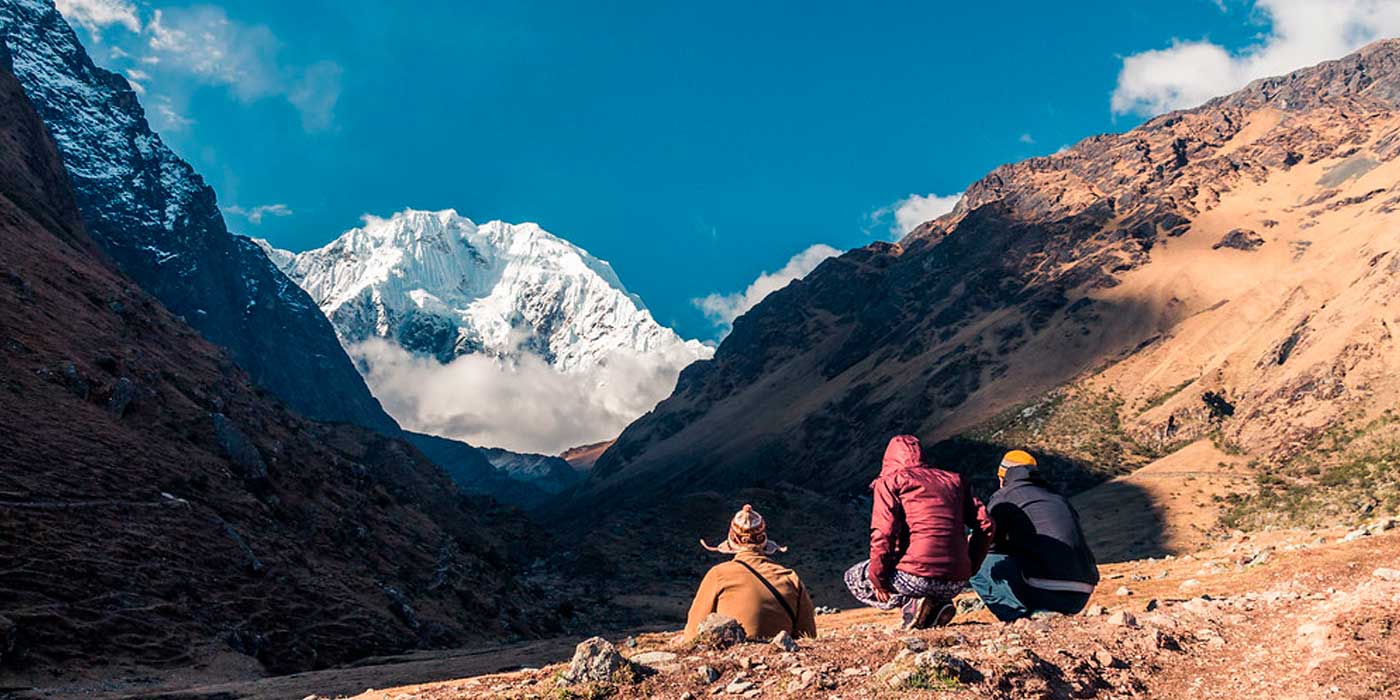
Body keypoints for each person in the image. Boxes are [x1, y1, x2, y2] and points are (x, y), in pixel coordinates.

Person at [844, 435, 995, 629]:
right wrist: (970, 567)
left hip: (915, 578)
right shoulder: (955, 480)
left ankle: (910, 603)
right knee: (914, 572)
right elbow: (986, 524)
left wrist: (879, 579)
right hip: (957, 580)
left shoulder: (890, 481)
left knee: (854, 576)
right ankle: (937, 604)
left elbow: (884, 532)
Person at [971, 450, 1099, 621]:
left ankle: (1019, 618)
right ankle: (1048, 615)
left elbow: (987, 542)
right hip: (1082, 592)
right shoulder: (1057, 497)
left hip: (1046, 590)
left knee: (976, 559)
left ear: (1002, 477)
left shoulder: (1006, 496)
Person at [684, 504, 817, 641]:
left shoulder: (718, 574)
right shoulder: (790, 578)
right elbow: (807, 636)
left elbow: (693, 633)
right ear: (764, 542)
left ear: (732, 543)